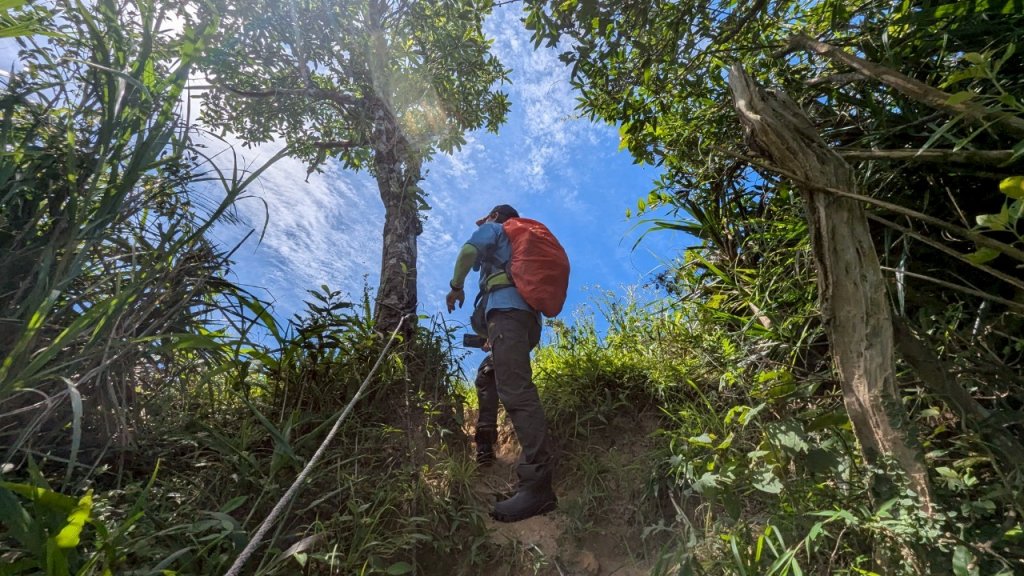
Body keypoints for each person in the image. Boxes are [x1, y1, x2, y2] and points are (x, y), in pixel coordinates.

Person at [445, 204, 558, 522]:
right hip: (519, 320)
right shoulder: (516, 240)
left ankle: (539, 489)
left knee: (516, 391)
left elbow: (468, 252)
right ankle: (491, 450)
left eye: (488, 215)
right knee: (489, 375)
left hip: (507, 315)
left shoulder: (496, 230)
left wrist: (455, 288)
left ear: (496, 216)